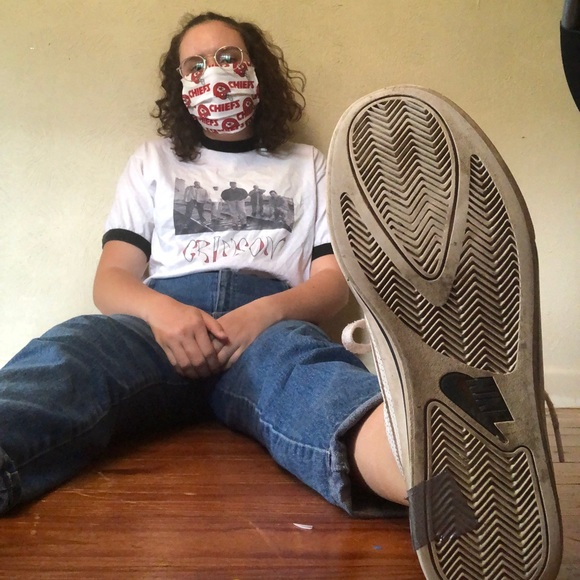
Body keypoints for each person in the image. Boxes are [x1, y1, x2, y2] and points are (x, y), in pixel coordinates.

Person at [0, 11, 562, 580]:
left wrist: (260, 316)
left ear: (256, 70)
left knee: (312, 379)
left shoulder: (307, 164)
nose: (214, 74)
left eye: (228, 58)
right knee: (71, 352)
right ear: (179, 86)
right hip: (159, 324)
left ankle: (457, 496)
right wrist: (163, 313)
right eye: (195, 66)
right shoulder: (153, 161)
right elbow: (112, 279)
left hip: (269, 323)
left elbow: (329, 283)